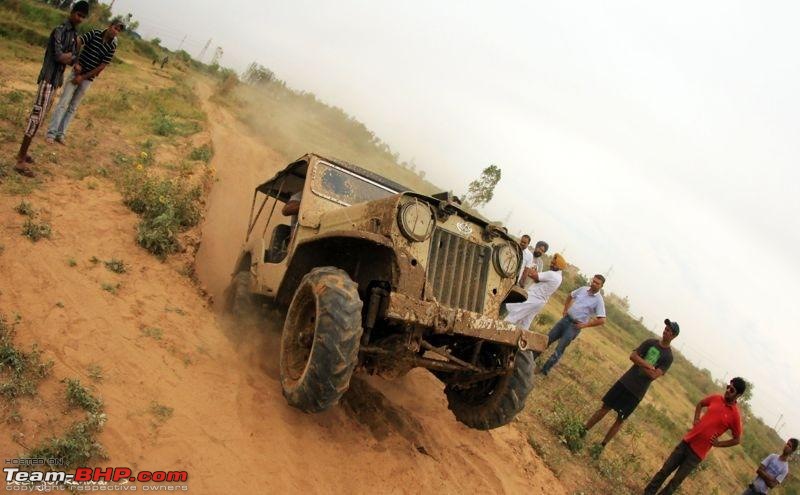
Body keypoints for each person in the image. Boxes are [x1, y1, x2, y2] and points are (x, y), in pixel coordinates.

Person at [12, 1, 88, 177]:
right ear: (72, 12)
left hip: (55, 81)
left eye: (83, 17)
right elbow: (60, 56)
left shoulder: (73, 34)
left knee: (40, 118)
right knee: (36, 118)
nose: (80, 18)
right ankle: (20, 160)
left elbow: (72, 56)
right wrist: (69, 57)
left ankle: (23, 153)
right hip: (47, 79)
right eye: (78, 14)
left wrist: (69, 56)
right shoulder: (60, 30)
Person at [583, 319, 679, 453]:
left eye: (669, 330)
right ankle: (583, 430)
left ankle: (601, 446)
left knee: (620, 420)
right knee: (604, 408)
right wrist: (648, 365)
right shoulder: (650, 342)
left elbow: (654, 376)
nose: (665, 331)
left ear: (673, 336)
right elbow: (632, 356)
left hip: (637, 392)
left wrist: (640, 362)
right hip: (625, 382)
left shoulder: (668, 357)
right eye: (665, 328)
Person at [644, 377, 746, 495]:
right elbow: (701, 404)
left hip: (697, 454)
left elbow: (737, 439)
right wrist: (696, 419)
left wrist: (718, 444)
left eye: (732, 390)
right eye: (728, 387)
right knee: (664, 471)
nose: (728, 390)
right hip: (687, 442)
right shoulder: (716, 398)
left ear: (738, 395)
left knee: (675, 482)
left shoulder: (735, 415)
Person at [46, 18, 125, 145]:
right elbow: (78, 41)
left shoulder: (113, 45)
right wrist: (76, 62)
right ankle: (51, 133)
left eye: (119, 31)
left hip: (87, 79)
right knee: (63, 103)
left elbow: (102, 66)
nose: (116, 31)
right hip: (76, 72)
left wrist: (82, 78)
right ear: (110, 26)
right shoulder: (94, 33)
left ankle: (61, 134)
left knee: (73, 107)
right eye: (115, 28)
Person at [539, 274, 606, 376]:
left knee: (559, 349)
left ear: (601, 286)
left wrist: (584, 325)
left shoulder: (599, 300)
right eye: (593, 281)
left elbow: (602, 320)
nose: (594, 284)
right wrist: (565, 309)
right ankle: (532, 359)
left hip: (574, 327)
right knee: (547, 339)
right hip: (565, 320)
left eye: (597, 283)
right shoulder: (583, 289)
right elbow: (570, 295)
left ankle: (544, 371)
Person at [505, 253, 566, 330]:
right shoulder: (559, 277)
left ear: (559, 266)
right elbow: (537, 280)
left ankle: (498, 330)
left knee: (515, 314)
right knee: (525, 322)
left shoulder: (552, 274)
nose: (551, 265)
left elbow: (533, 275)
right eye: (551, 262)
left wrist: (527, 267)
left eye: (554, 264)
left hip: (533, 298)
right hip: (539, 302)